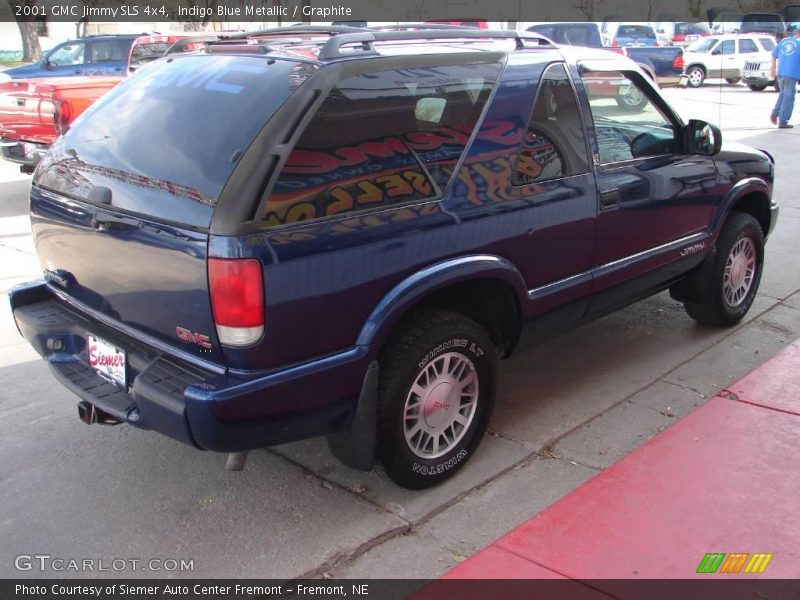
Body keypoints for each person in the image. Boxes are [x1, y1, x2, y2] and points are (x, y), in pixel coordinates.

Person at [770, 26, 800, 129]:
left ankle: (775, 113)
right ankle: (783, 121)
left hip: (781, 74)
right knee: (789, 98)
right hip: (791, 74)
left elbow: (774, 55)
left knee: (783, 95)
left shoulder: (783, 41)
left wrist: (773, 68)